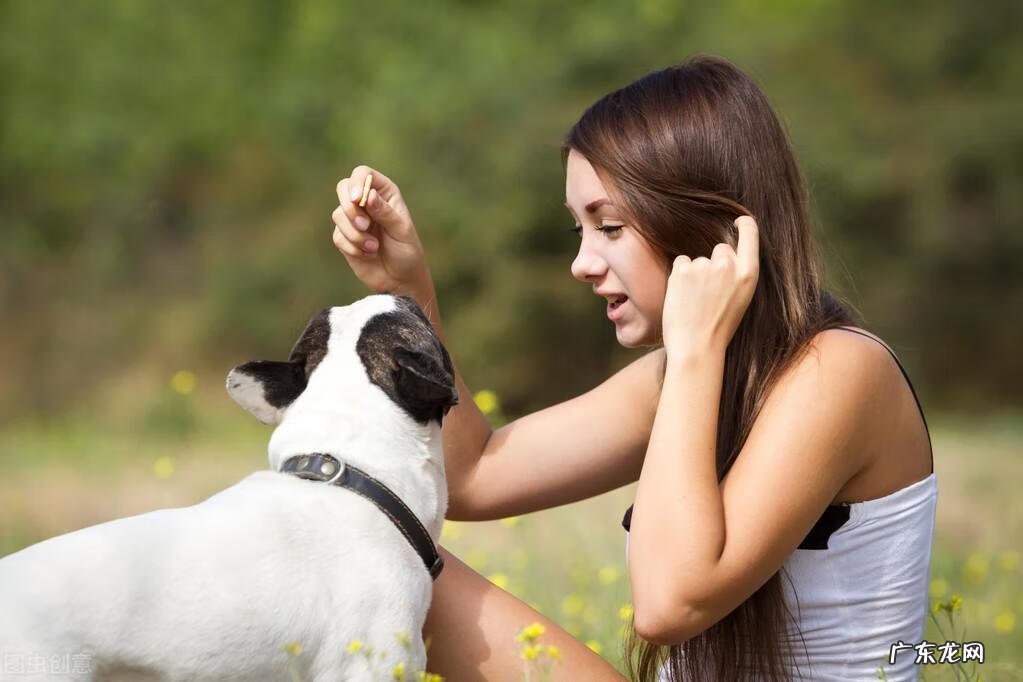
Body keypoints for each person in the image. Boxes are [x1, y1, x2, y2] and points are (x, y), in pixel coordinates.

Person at [329, 55, 936, 681]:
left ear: (709, 231)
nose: (582, 264)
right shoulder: (677, 379)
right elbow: (472, 475)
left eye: (609, 226)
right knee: (363, 535)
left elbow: (670, 605)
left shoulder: (837, 371)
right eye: (579, 231)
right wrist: (407, 289)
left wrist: (696, 351)